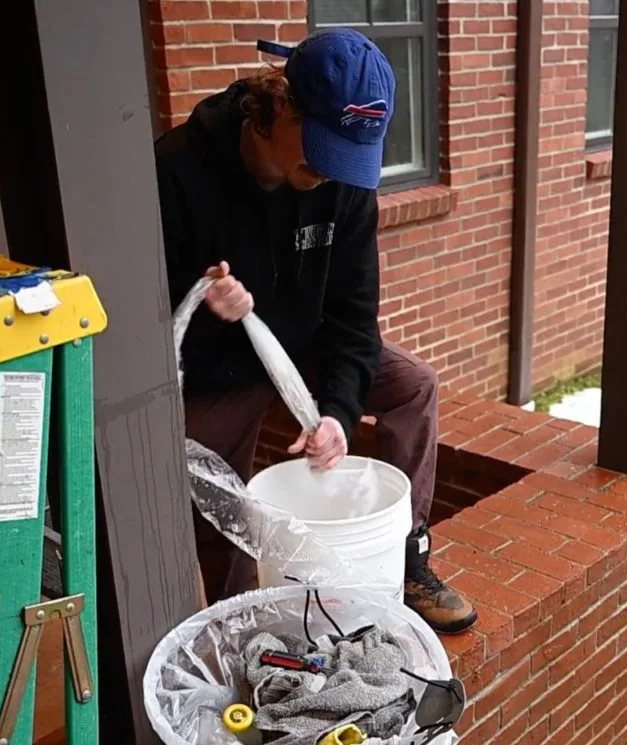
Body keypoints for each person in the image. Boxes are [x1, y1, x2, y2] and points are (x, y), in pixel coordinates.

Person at [154, 27, 478, 635]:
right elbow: (144, 322)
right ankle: (236, 620)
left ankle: (406, 559)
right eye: (322, 149)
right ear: (279, 104)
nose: (330, 173)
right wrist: (198, 299)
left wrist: (336, 410)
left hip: (306, 349)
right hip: (218, 364)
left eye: (348, 157)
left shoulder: (346, 189)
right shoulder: (178, 171)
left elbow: (354, 320)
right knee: (214, 486)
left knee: (414, 387)